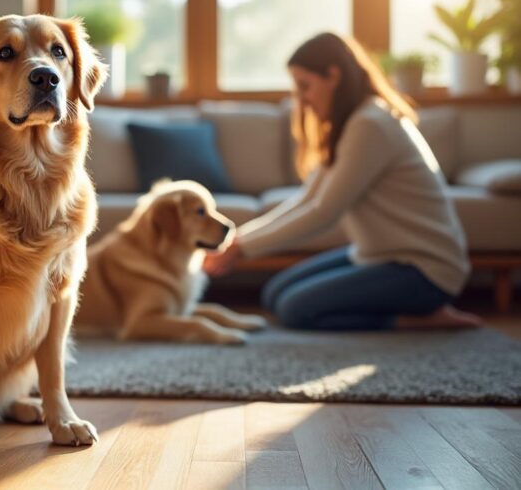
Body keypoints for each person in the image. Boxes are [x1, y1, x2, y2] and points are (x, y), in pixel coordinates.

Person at [203, 32, 482, 331]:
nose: (302, 99)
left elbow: (324, 212)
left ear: (333, 75)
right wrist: (237, 241)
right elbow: (307, 199)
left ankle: (420, 318)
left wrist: (241, 249)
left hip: (424, 269)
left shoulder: (369, 124)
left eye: (305, 86)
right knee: (273, 294)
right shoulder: (351, 123)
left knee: (294, 309)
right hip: (379, 256)